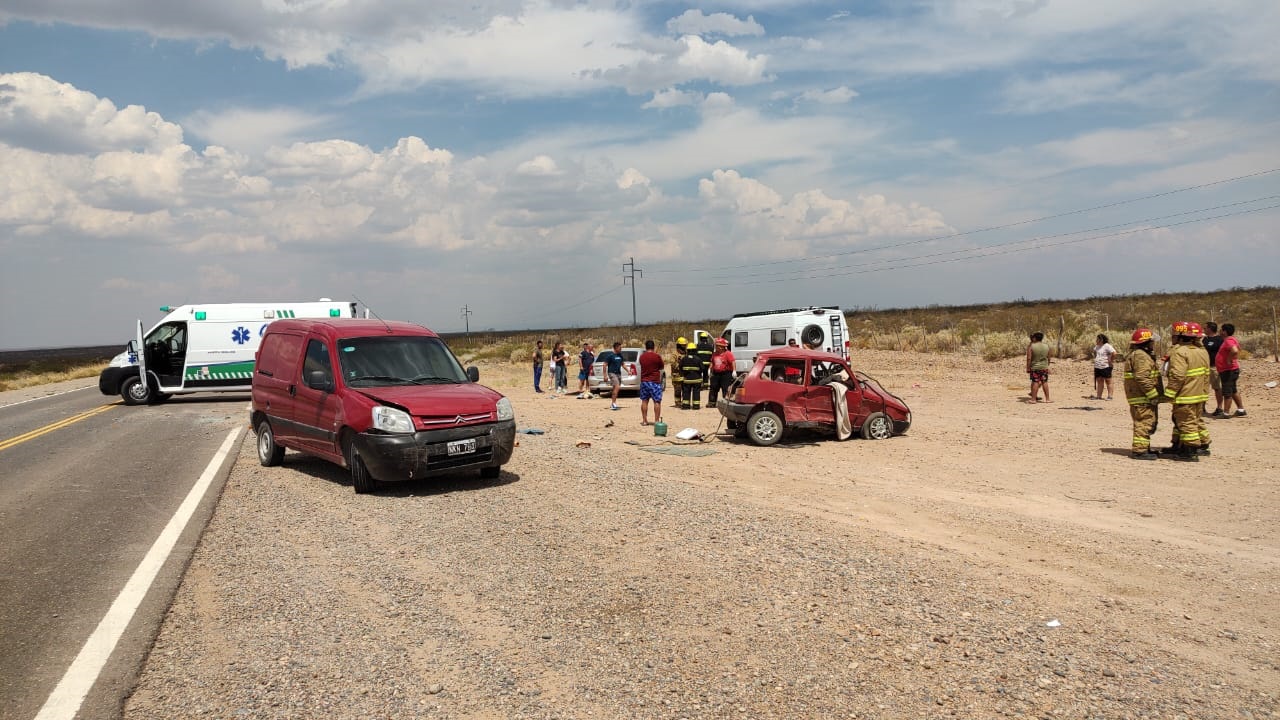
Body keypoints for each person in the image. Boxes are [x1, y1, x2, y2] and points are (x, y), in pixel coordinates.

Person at [1159, 321, 1210, 461]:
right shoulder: (1202, 351)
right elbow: (1206, 374)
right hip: (1199, 394)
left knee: (1186, 422)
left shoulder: (1180, 352)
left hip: (1185, 395)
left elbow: (1177, 376)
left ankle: (1190, 451)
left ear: (1181, 336)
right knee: (1192, 420)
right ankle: (1194, 445)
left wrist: (1169, 394)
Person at [1123, 328, 1162, 460]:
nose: (1153, 344)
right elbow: (1142, 377)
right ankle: (1140, 451)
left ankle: (1144, 447)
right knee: (1143, 422)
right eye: (1151, 342)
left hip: (1141, 396)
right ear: (1146, 342)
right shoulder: (1141, 356)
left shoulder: (1141, 354)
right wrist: (1153, 395)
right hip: (1142, 397)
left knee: (1146, 422)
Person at [1216, 322, 1246, 418]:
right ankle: (1241, 410)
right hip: (1230, 370)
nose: (1219, 331)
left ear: (1224, 332)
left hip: (1228, 371)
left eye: (1221, 330)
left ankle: (1226, 413)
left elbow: (1235, 350)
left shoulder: (1229, 340)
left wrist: (1229, 359)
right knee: (1233, 390)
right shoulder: (1230, 340)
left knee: (1227, 391)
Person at [638, 339, 665, 426]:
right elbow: (661, 367)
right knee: (657, 401)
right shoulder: (657, 356)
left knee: (644, 401)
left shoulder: (642, 357)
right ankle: (656, 421)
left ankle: (644, 420)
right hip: (655, 382)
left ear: (646, 347)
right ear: (653, 347)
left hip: (644, 382)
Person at [596, 341, 625, 410]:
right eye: (620, 348)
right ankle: (613, 404)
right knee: (617, 387)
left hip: (618, 374)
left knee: (616, 388)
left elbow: (623, 364)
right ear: (616, 348)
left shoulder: (620, 355)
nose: (621, 349)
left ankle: (613, 402)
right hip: (612, 373)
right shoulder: (610, 356)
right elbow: (604, 365)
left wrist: (628, 371)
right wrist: (605, 375)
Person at [1202, 322, 1223, 415]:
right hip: (1204, 367)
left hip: (1214, 367)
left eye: (1205, 328)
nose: (1204, 330)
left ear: (1210, 329)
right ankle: (1202, 408)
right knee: (1202, 388)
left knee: (1217, 388)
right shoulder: (1205, 339)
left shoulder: (1219, 340)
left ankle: (1219, 407)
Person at [708, 337, 736, 406]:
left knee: (725, 388)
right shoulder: (714, 354)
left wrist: (734, 371)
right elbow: (712, 362)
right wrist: (709, 369)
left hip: (725, 374)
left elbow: (733, 362)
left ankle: (726, 403)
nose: (716, 347)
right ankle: (712, 403)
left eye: (718, 346)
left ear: (722, 347)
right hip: (716, 374)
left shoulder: (728, 353)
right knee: (713, 388)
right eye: (716, 345)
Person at [1026, 332, 1051, 403]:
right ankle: (1047, 399)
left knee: (1035, 382)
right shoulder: (1046, 346)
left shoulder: (1031, 346)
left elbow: (1029, 358)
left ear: (1034, 338)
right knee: (1044, 382)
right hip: (1044, 367)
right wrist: (1047, 365)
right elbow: (1049, 357)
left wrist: (1028, 367)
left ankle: (1033, 399)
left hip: (1035, 367)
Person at [679, 341, 704, 410]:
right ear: (695, 350)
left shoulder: (684, 359)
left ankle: (686, 405)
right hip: (697, 380)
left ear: (687, 350)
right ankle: (696, 406)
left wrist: (684, 374)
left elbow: (680, 368)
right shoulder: (698, 359)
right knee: (696, 392)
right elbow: (702, 368)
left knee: (686, 392)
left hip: (687, 380)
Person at [1092, 334, 1116, 400]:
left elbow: (1114, 353)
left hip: (1106, 366)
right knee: (1099, 381)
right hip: (1097, 366)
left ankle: (1110, 396)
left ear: (1101, 340)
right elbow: (1094, 352)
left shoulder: (1107, 346)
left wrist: (1110, 361)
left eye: (1097, 339)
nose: (1096, 340)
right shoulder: (1097, 346)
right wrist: (1096, 359)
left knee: (1108, 381)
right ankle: (1099, 396)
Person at [671, 338, 688, 409]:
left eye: (685, 345)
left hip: (685, 376)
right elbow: (673, 364)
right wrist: (680, 364)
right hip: (677, 376)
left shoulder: (686, 353)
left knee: (685, 390)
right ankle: (678, 403)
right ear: (679, 345)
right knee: (677, 390)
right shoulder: (675, 354)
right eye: (683, 345)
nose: (684, 347)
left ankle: (685, 403)